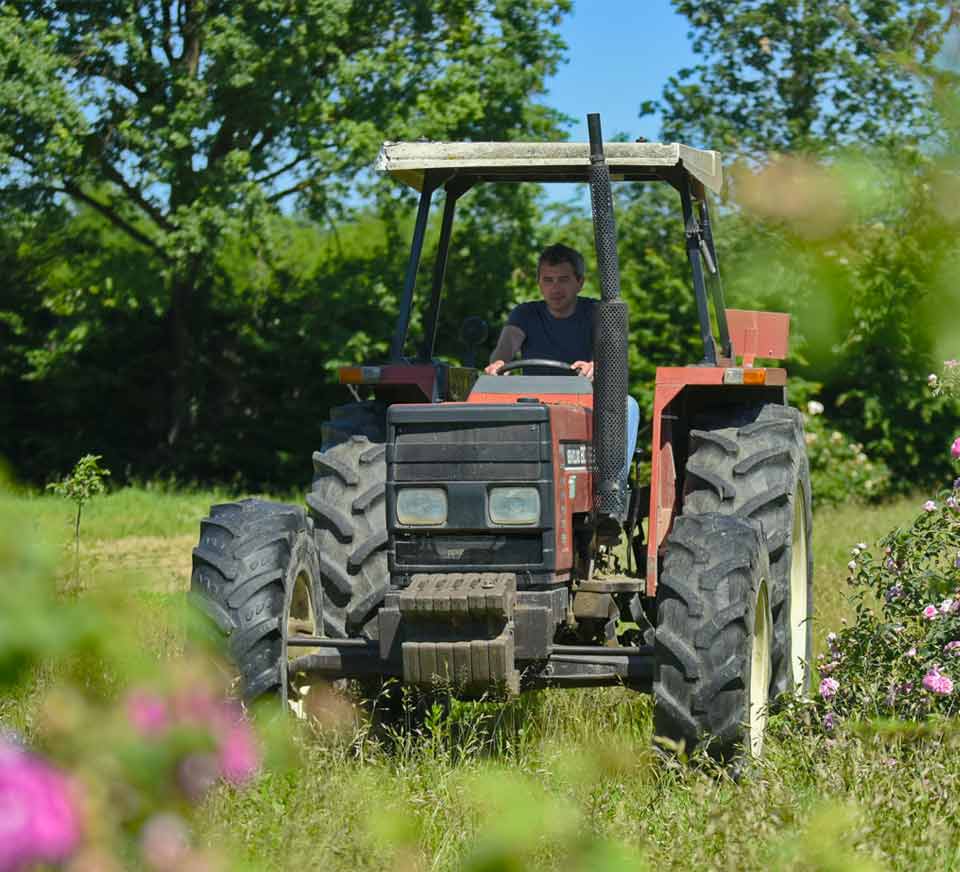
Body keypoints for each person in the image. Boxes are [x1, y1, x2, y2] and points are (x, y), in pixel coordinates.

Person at [485, 243, 640, 483]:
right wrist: (498, 364)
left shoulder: (596, 311)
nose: (555, 288)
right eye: (548, 280)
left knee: (627, 405)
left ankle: (612, 487)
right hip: (531, 400)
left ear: (579, 282)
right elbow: (505, 348)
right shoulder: (525, 314)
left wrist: (595, 365)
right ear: (539, 283)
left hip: (583, 398)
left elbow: (612, 354)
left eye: (563, 279)